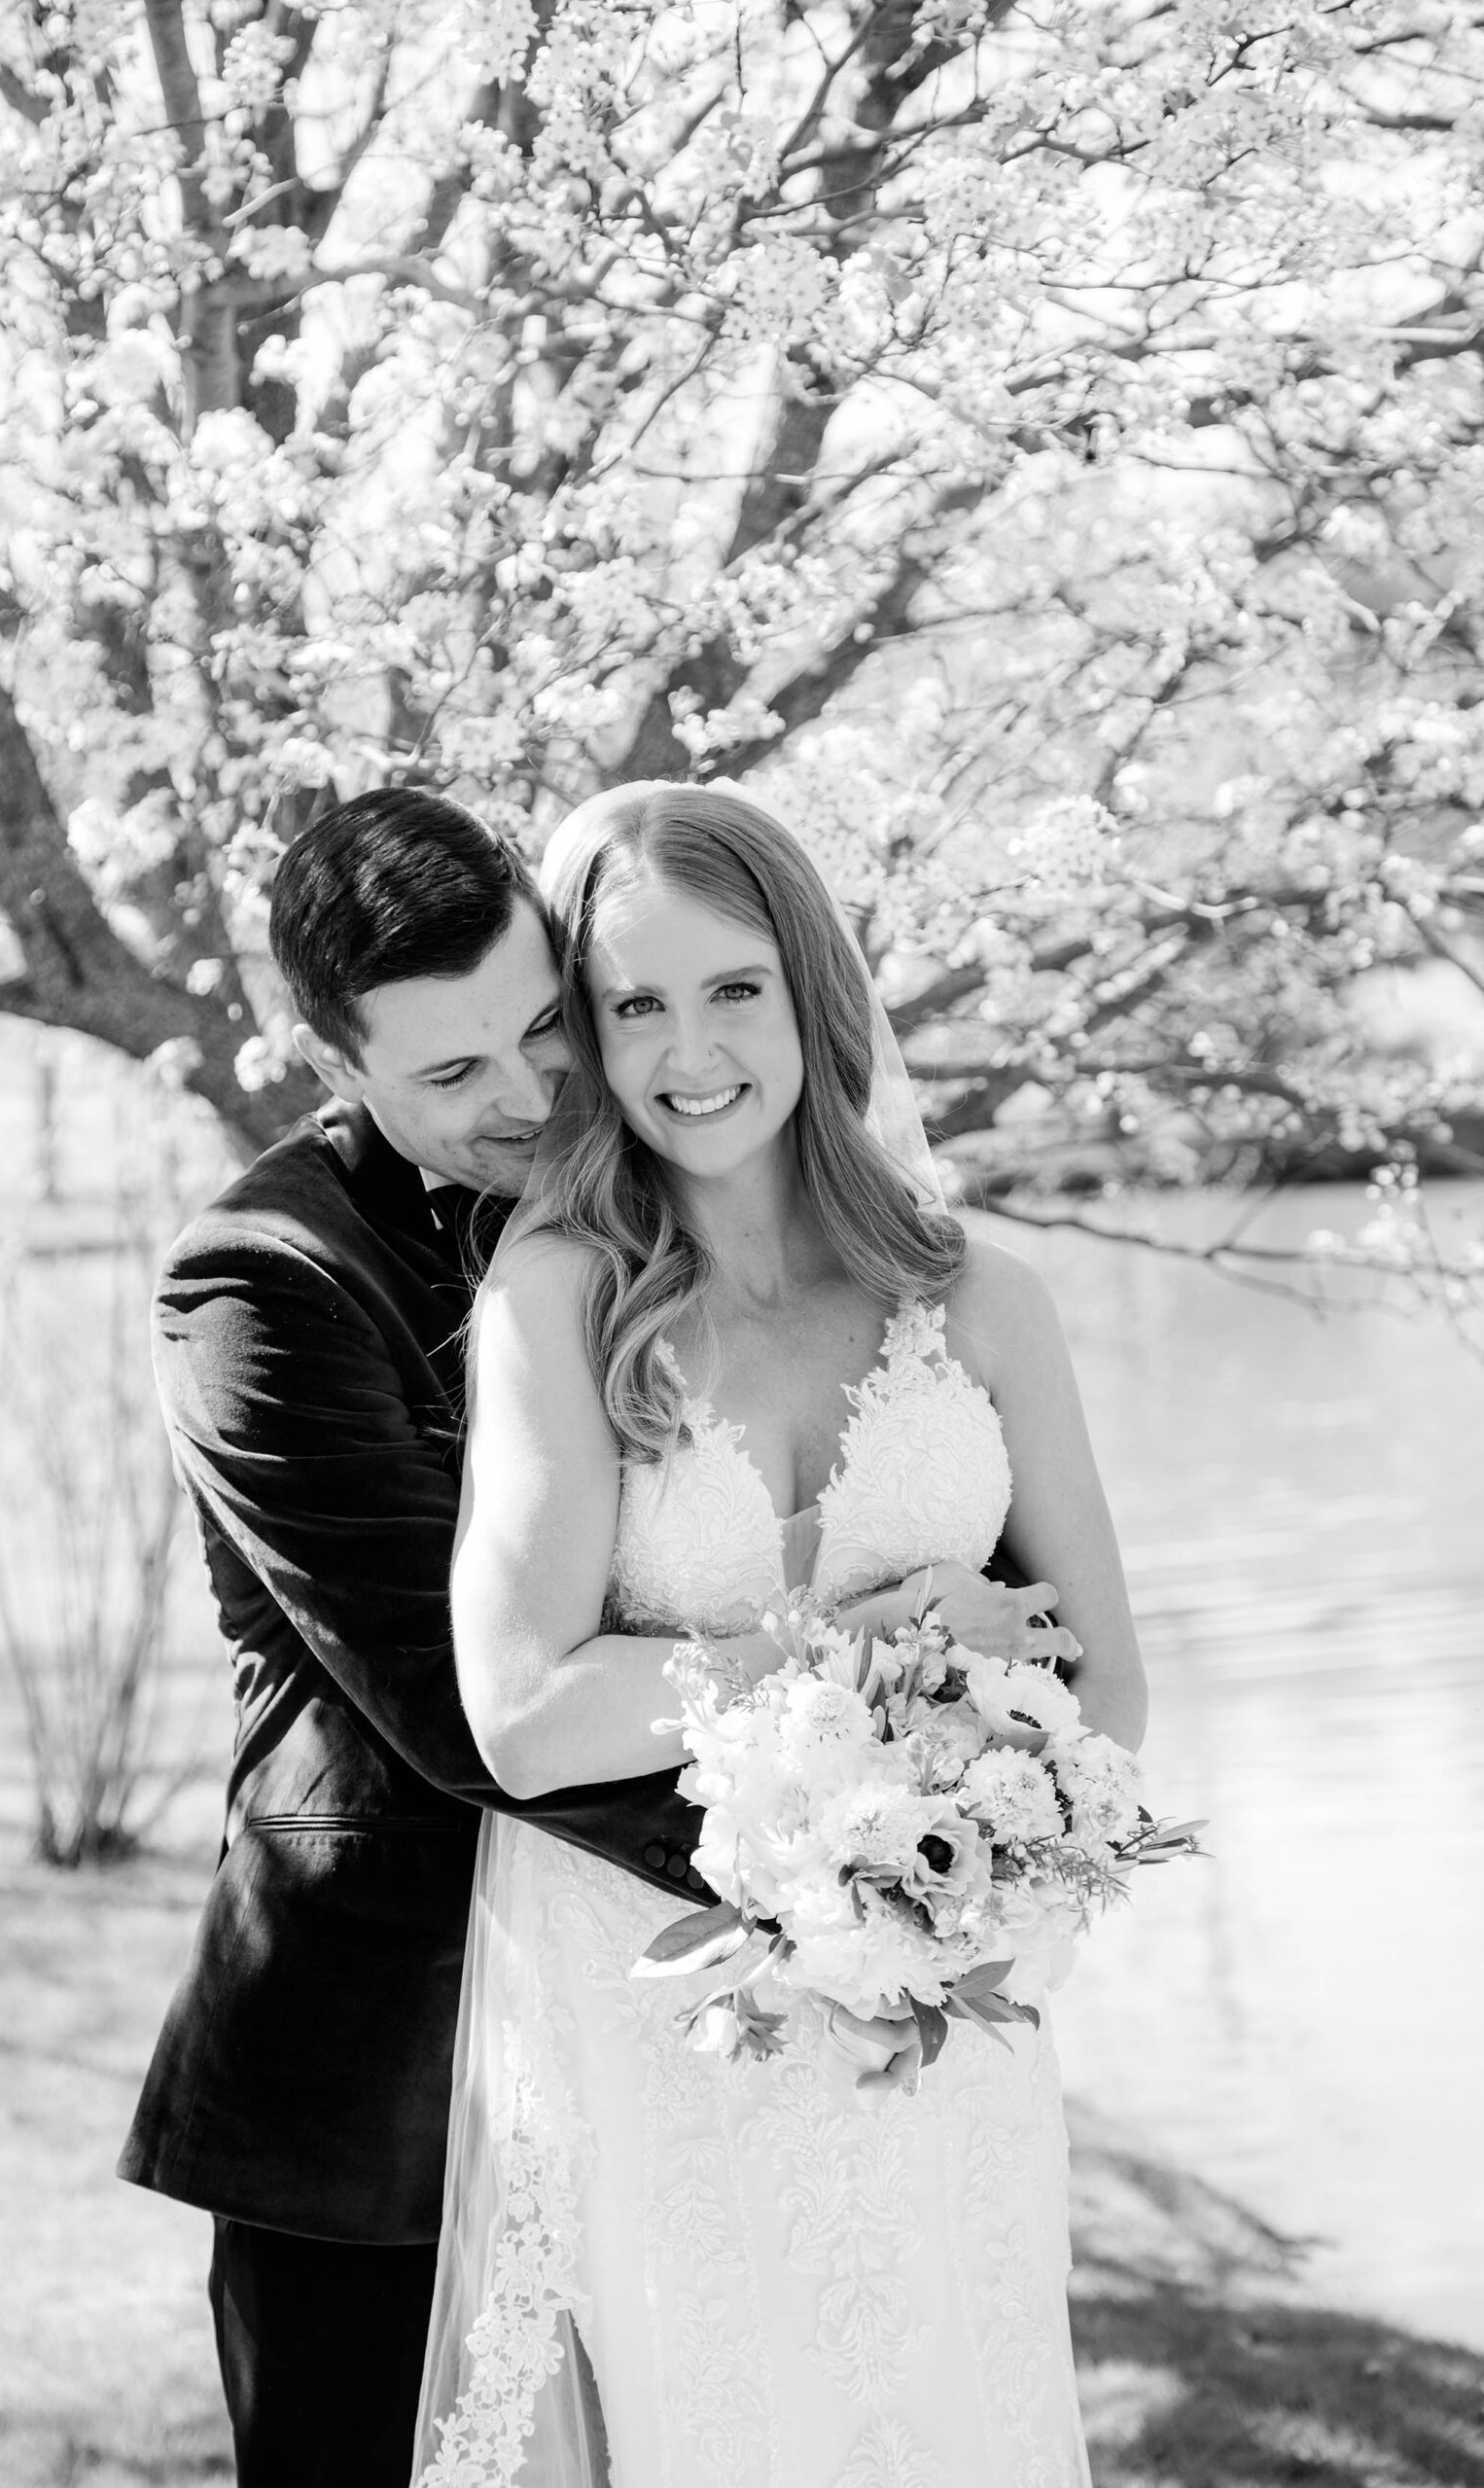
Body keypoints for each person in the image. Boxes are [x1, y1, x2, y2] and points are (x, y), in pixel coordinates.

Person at [421, 781, 1147, 2488]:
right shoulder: (564, 1302)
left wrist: (985, 1900)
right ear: (589, 1036)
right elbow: (525, 1718)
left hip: (949, 2017)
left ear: (810, 987)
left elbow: (1106, 1679)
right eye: (637, 1003)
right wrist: (859, 1646)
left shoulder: (982, 1298)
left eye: (733, 987)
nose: (692, 1050)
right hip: (675, 2034)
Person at [117, 789, 718, 2488]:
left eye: (546, 1028)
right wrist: (829, 1844)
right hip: (378, 2079)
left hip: (657, 2046)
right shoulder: (255, 1286)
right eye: (454, 1075)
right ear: (335, 1063)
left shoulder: (672, 1194)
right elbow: (467, 1714)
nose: (529, 1099)